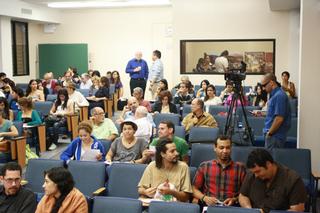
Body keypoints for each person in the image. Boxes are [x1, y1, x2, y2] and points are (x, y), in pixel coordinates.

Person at [239, 149, 307, 212]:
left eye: (258, 171)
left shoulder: (293, 179)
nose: (256, 175)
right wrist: (250, 210)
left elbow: (297, 209)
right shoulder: (252, 174)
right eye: (254, 173)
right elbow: (243, 196)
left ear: (268, 164)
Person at [192, 136, 246, 207]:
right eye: (221, 148)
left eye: (228, 148)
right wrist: (204, 198)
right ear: (215, 148)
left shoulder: (240, 168)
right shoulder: (205, 166)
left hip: (232, 207)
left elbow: (246, 193)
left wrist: (234, 199)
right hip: (209, 205)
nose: (225, 151)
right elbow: (194, 188)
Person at [259, 73, 291, 149]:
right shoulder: (274, 95)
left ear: (271, 83)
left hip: (274, 137)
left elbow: (279, 119)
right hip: (273, 136)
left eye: (264, 85)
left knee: (272, 160)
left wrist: (269, 134)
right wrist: (260, 113)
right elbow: (273, 114)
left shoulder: (279, 95)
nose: (263, 88)